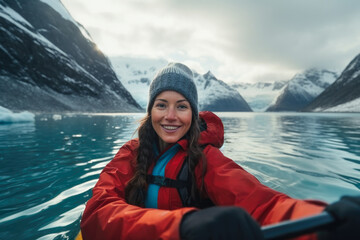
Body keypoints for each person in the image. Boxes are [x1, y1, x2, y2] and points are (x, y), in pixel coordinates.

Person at [80, 62, 360, 240]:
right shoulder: (130, 153)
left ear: (193, 113)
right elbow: (96, 213)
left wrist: (321, 221)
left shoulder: (206, 159)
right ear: (151, 109)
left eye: (182, 106)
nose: (171, 116)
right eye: (161, 104)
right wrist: (183, 225)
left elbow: (262, 203)